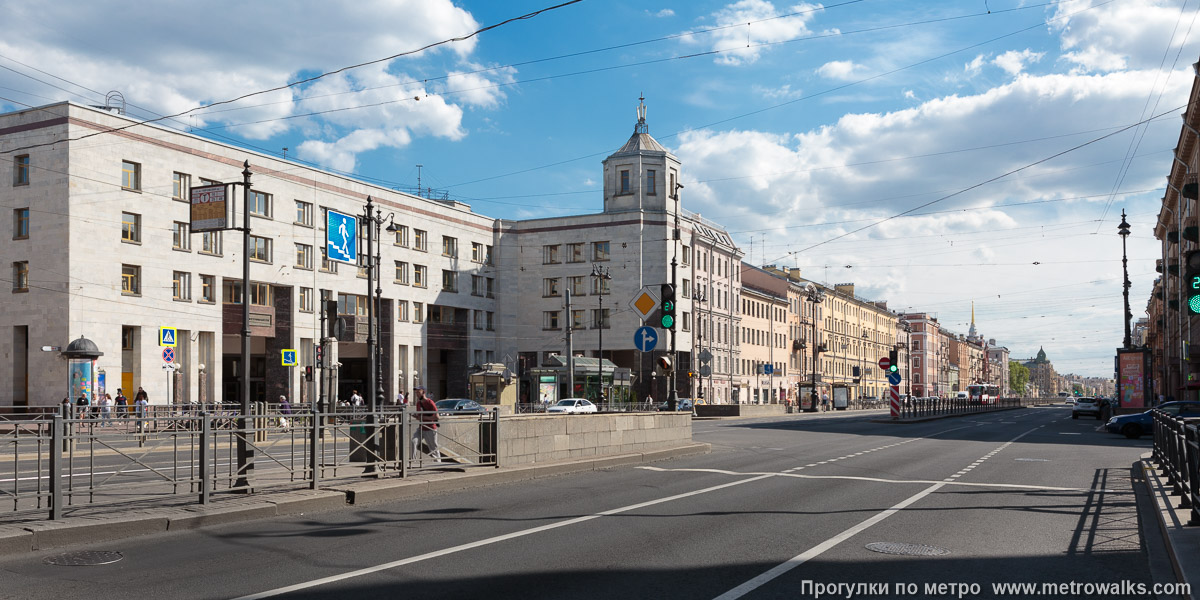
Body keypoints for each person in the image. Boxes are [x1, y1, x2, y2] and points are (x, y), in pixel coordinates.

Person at [411, 386, 441, 462]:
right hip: (421, 428)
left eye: (418, 392)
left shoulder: (430, 402)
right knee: (414, 441)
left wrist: (424, 418)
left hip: (430, 428)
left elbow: (437, 416)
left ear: (423, 392)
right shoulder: (418, 403)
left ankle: (438, 463)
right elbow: (419, 417)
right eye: (416, 393)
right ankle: (413, 462)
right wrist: (415, 416)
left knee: (433, 448)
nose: (417, 394)